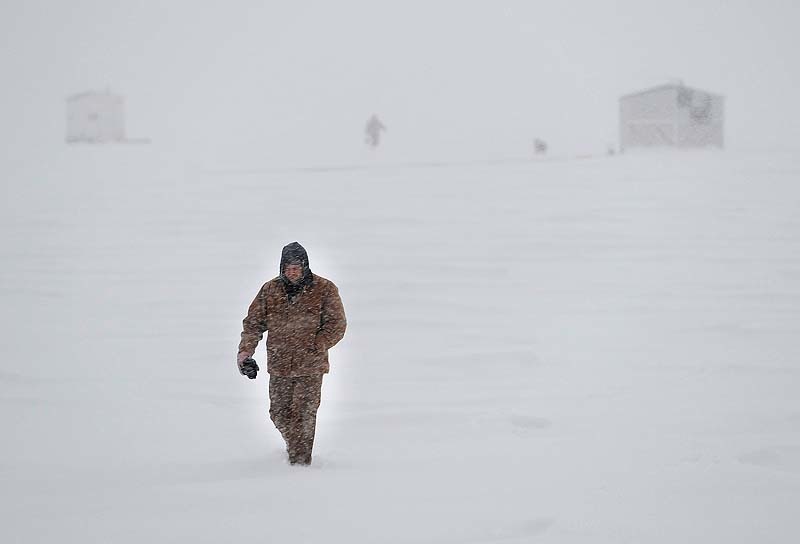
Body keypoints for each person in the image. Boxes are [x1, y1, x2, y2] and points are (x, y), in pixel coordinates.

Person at [237, 242, 347, 466]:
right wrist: (246, 352)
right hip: (280, 365)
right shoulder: (270, 290)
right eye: (288, 267)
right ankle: (295, 450)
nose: (292, 271)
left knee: (305, 415)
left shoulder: (325, 289)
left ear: (305, 266)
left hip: (311, 366)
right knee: (278, 413)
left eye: (297, 266)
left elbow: (337, 324)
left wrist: (319, 343)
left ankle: (300, 466)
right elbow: (253, 324)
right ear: (281, 267)